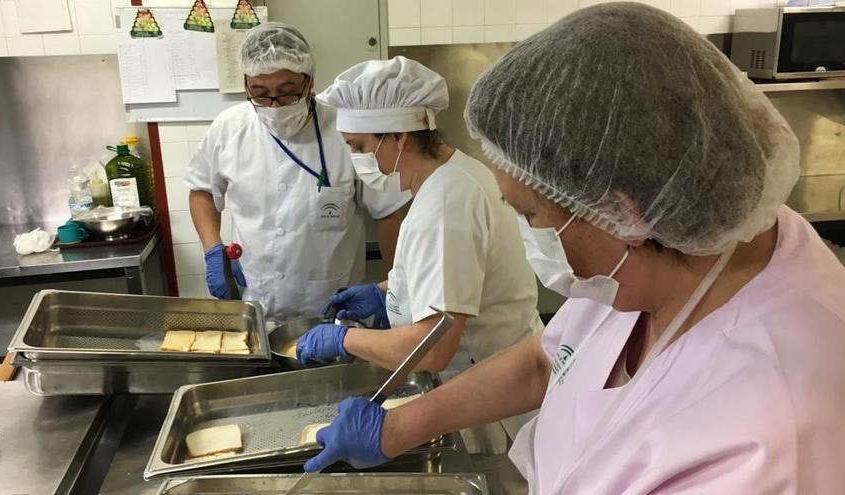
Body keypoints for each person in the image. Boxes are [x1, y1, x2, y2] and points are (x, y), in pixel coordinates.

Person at [298, 4, 845, 493]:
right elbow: (548, 359)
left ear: (622, 211)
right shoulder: (660, 255)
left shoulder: (763, 439)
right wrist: (399, 427)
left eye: (533, 215)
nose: (530, 235)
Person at [296, 57, 544, 457]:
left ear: (398, 137)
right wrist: (386, 291)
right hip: (486, 385)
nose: (356, 159)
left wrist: (347, 339)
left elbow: (433, 348)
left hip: (490, 407)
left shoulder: (446, 205)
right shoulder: (451, 177)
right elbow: (453, 273)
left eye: (358, 147)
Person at [184, 23, 410, 321]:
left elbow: (387, 214)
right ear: (245, 84)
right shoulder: (228, 128)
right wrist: (212, 249)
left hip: (335, 309)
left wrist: (393, 291)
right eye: (260, 93)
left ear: (310, 81)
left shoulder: (347, 130)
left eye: (288, 92)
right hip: (258, 304)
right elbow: (201, 190)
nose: (275, 105)